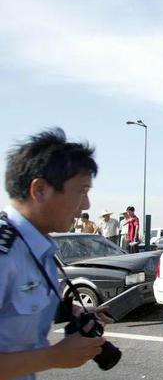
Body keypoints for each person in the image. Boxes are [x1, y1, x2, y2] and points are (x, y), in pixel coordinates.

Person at [0, 128, 109, 379]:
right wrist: (53, 356)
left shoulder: (39, 248)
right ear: (39, 190)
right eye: (81, 191)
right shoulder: (5, 255)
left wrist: (75, 313)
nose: (86, 205)